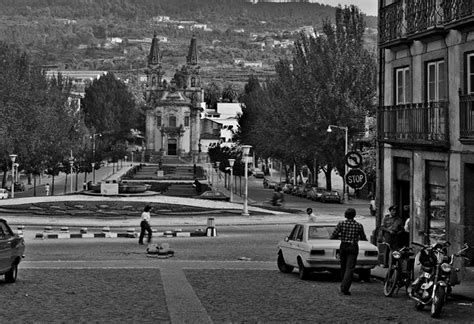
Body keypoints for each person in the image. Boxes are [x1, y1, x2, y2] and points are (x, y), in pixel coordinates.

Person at [330, 208, 368, 295]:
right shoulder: (358, 225)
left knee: (343, 266)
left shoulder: (341, 224)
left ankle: (343, 284)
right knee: (350, 268)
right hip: (353, 246)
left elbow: (333, 235)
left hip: (343, 246)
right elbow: (363, 237)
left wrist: (339, 236)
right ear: (354, 215)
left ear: (346, 215)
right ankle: (345, 286)